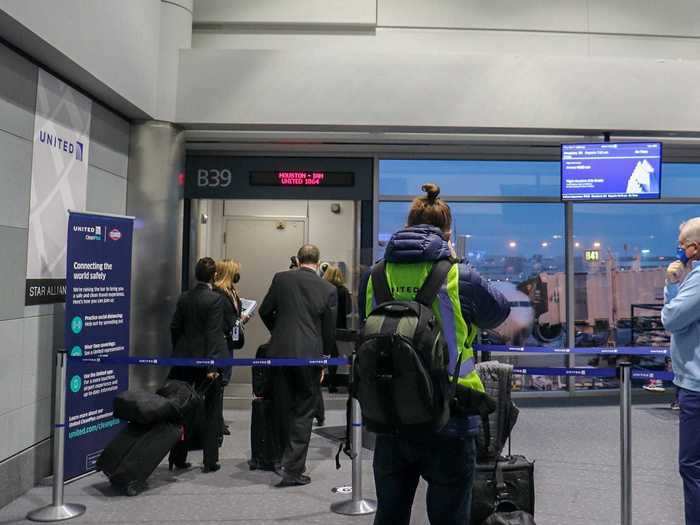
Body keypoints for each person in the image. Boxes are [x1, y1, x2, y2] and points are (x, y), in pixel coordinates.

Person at [360, 184, 510, 525]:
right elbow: (498, 313)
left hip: (390, 412)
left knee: (390, 514)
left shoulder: (374, 276)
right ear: (446, 231)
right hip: (452, 415)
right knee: (450, 516)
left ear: (407, 226)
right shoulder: (459, 277)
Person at [260, 244, 338, 487]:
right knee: (304, 410)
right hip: (309, 355)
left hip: (279, 353)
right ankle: (292, 469)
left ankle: (277, 459)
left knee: (281, 407)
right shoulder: (328, 288)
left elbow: (264, 310)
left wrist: (279, 332)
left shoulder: (281, 279)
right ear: (318, 261)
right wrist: (324, 358)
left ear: (299, 258)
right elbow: (328, 330)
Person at [168, 257, 228, 473]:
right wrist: (212, 365)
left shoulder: (184, 298)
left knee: (182, 409)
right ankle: (210, 460)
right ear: (214, 276)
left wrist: (178, 352)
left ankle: (177, 457)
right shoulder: (215, 300)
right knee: (212, 410)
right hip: (206, 362)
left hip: (184, 360)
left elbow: (174, 327)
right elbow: (213, 334)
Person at [661, 217, 700, 525]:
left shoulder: (698, 279)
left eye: (681, 244)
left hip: (697, 387)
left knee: (692, 466)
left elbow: (672, 319)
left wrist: (672, 286)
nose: (679, 249)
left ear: (694, 248)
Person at [213, 259, 248, 437]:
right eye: (236, 271)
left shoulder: (232, 291)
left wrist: (241, 319)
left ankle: (218, 420)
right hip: (221, 344)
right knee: (218, 384)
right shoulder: (218, 293)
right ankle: (216, 422)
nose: (238, 275)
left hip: (230, 343)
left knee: (224, 382)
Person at [323, 265, 351, 394]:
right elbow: (349, 310)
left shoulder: (324, 290)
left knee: (325, 353)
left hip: (324, 327)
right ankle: (333, 382)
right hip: (340, 327)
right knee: (337, 355)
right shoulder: (344, 291)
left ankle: (322, 380)